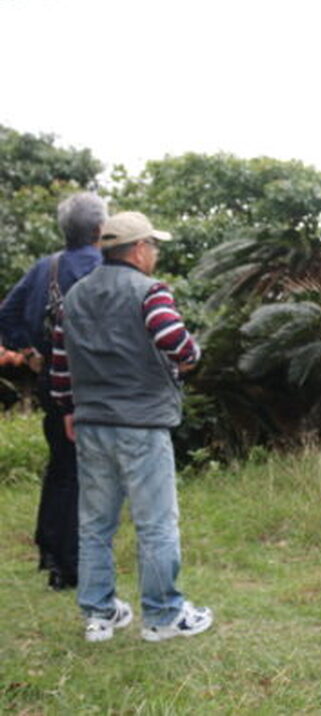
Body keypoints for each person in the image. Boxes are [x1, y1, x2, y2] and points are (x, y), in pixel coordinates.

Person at [51, 211, 213, 642]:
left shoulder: (74, 296)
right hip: (141, 423)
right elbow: (174, 341)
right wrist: (192, 355)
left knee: (95, 524)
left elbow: (61, 361)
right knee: (155, 523)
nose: (154, 253)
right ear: (139, 250)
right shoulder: (150, 291)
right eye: (153, 245)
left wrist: (67, 408)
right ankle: (163, 616)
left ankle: (99, 614)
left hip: (91, 422)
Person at [0, 191, 107, 590]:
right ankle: (70, 565)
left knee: (61, 465)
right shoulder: (103, 269)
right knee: (83, 472)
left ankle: (50, 550)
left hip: (49, 378)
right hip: (90, 381)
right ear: (100, 229)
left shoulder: (46, 267)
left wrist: (30, 352)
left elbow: (6, 316)